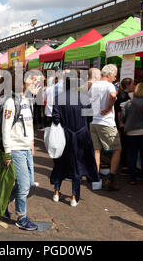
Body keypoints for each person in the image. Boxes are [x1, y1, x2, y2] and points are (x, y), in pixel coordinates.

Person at [51, 77, 99, 207]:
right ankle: (74, 196)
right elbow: (90, 117)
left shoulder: (59, 98)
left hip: (65, 135)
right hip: (81, 135)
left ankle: (56, 192)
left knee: (61, 163)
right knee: (78, 164)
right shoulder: (84, 98)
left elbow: (55, 119)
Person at [2, 69, 38, 231]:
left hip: (25, 148)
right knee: (24, 185)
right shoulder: (11, 102)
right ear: (22, 82)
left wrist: (31, 143)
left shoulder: (26, 99)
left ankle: (2, 202)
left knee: (29, 183)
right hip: (16, 149)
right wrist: (7, 151)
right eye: (31, 78)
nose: (35, 80)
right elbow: (6, 128)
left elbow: (28, 125)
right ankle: (21, 217)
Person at [89, 64, 122, 191]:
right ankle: (110, 178)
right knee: (117, 149)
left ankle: (96, 178)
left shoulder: (94, 85)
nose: (115, 78)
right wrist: (108, 108)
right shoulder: (109, 85)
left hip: (94, 121)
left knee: (96, 150)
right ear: (109, 74)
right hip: (106, 122)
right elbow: (113, 96)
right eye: (114, 75)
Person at [122, 82, 143, 186]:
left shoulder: (129, 103)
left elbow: (124, 117)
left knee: (132, 155)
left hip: (131, 132)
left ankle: (132, 178)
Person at [114, 78, 135, 175]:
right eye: (132, 84)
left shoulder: (124, 95)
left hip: (122, 124)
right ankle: (124, 167)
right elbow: (119, 111)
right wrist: (121, 123)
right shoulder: (123, 97)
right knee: (124, 146)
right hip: (123, 125)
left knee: (123, 145)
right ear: (128, 86)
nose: (134, 86)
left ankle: (123, 166)